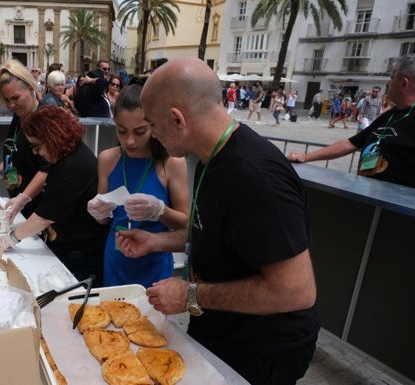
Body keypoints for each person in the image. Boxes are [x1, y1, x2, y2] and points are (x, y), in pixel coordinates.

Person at [116, 57, 320, 384]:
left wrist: (191, 295)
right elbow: (213, 233)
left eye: (152, 126)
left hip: (263, 349)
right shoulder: (211, 157)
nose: (153, 136)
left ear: (176, 119)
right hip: (221, 328)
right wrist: (156, 241)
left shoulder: (255, 177)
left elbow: (295, 292)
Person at [87, 83, 189, 288]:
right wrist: (99, 212)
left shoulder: (172, 163)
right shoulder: (108, 159)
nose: (130, 141)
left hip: (154, 262)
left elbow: (185, 223)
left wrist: (159, 210)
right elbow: (104, 221)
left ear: (153, 126)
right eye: (122, 131)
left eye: (139, 131)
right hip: (117, 258)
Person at [0, 106, 108, 286]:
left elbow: (42, 219)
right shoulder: (67, 154)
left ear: (52, 138)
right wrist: (23, 199)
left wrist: (11, 238)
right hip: (72, 243)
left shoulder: (73, 166)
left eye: (36, 146)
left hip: (83, 250)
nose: (35, 152)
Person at [288, 54, 415, 189]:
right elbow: (350, 143)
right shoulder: (390, 115)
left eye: (392, 79)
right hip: (369, 198)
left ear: (403, 83)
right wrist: (306, 157)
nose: (388, 84)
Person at [0, 60, 51, 222]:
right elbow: (14, 150)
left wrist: (23, 199)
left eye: (15, 98)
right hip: (19, 206)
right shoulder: (20, 115)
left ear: (30, 87)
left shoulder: (44, 120)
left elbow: (46, 169)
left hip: (38, 207)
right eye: (7, 100)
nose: (11, 105)